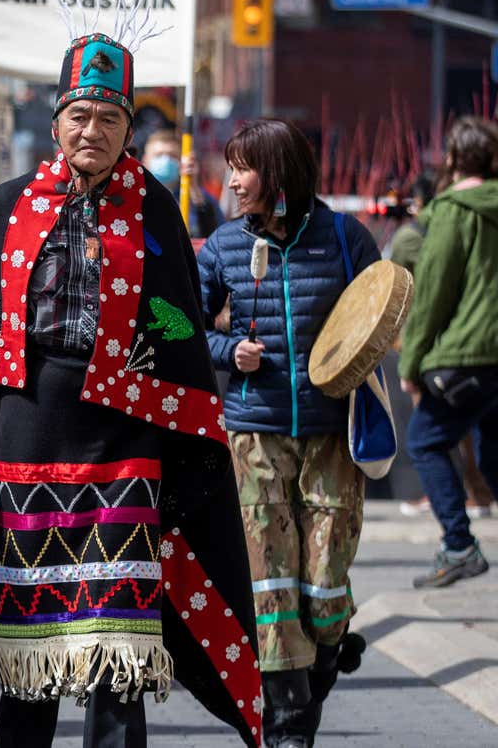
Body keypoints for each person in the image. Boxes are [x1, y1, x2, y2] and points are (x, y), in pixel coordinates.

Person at [0, 29, 261, 748]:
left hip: (125, 443)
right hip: (24, 437)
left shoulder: (155, 211)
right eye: (79, 116)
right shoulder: (7, 207)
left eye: (108, 119)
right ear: (57, 121)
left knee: (119, 645)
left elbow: (180, 332)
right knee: (26, 648)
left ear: (128, 128)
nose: (91, 131)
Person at [198, 118, 378, 747]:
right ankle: (288, 726)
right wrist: (228, 350)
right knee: (271, 583)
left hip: (333, 434)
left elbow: (381, 313)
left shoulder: (345, 236)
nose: (231, 182)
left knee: (324, 586)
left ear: (276, 173)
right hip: (254, 434)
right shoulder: (221, 246)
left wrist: (357, 355)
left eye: (241, 168)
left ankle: (326, 656)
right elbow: (186, 326)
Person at [398, 116, 498, 589]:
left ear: (454, 160)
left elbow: (434, 292)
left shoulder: (454, 212)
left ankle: (459, 545)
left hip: (467, 354)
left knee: (425, 440)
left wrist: (412, 362)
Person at [387, 170, 497, 518]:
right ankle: (475, 494)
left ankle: (454, 524)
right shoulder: (476, 224)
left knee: (429, 435)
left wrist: (409, 359)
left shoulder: (417, 236)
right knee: (475, 431)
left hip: (436, 349)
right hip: (469, 345)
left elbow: (421, 295)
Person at [142, 129, 224, 239]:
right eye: (159, 155)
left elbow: (216, 237)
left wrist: (194, 190)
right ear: (144, 160)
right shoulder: (134, 196)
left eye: (172, 155)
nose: (166, 160)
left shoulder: (202, 200)